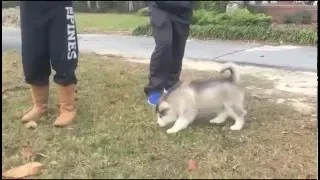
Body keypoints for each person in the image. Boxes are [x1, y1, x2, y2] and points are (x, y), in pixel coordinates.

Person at [19, 1, 78, 127]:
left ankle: (67, 107)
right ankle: (40, 106)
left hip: (59, 6)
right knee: (33, 55)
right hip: (29, 7)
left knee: (63, 53)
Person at [144, 1, 194, 106]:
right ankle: (155, 89)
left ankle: (171, 86)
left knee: (178, 49)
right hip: (160, 7)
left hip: (182, 10)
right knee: (164, 44)